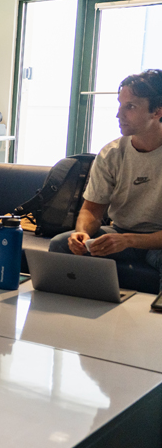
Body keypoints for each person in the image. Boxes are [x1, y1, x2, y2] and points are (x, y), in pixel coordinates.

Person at [49, 70, 162, 290]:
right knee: (61, 244)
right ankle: (74, 317)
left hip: (156, 241)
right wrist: (81, 233)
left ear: (157, 111)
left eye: (130, 107)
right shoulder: (111, 153)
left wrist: (130, 240)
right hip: (119, 232)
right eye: (120, 105)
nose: (119, 115)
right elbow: (91, 210)